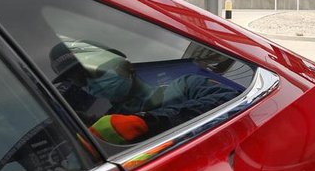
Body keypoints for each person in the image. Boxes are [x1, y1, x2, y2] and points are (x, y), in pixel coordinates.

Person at [49, 39, 241, 144]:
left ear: (122, 65)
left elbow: (229, 100)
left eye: (92, 71)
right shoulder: (111, 126)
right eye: (79, 81)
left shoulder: (186, 86)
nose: (89, 84)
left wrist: (147, 121)